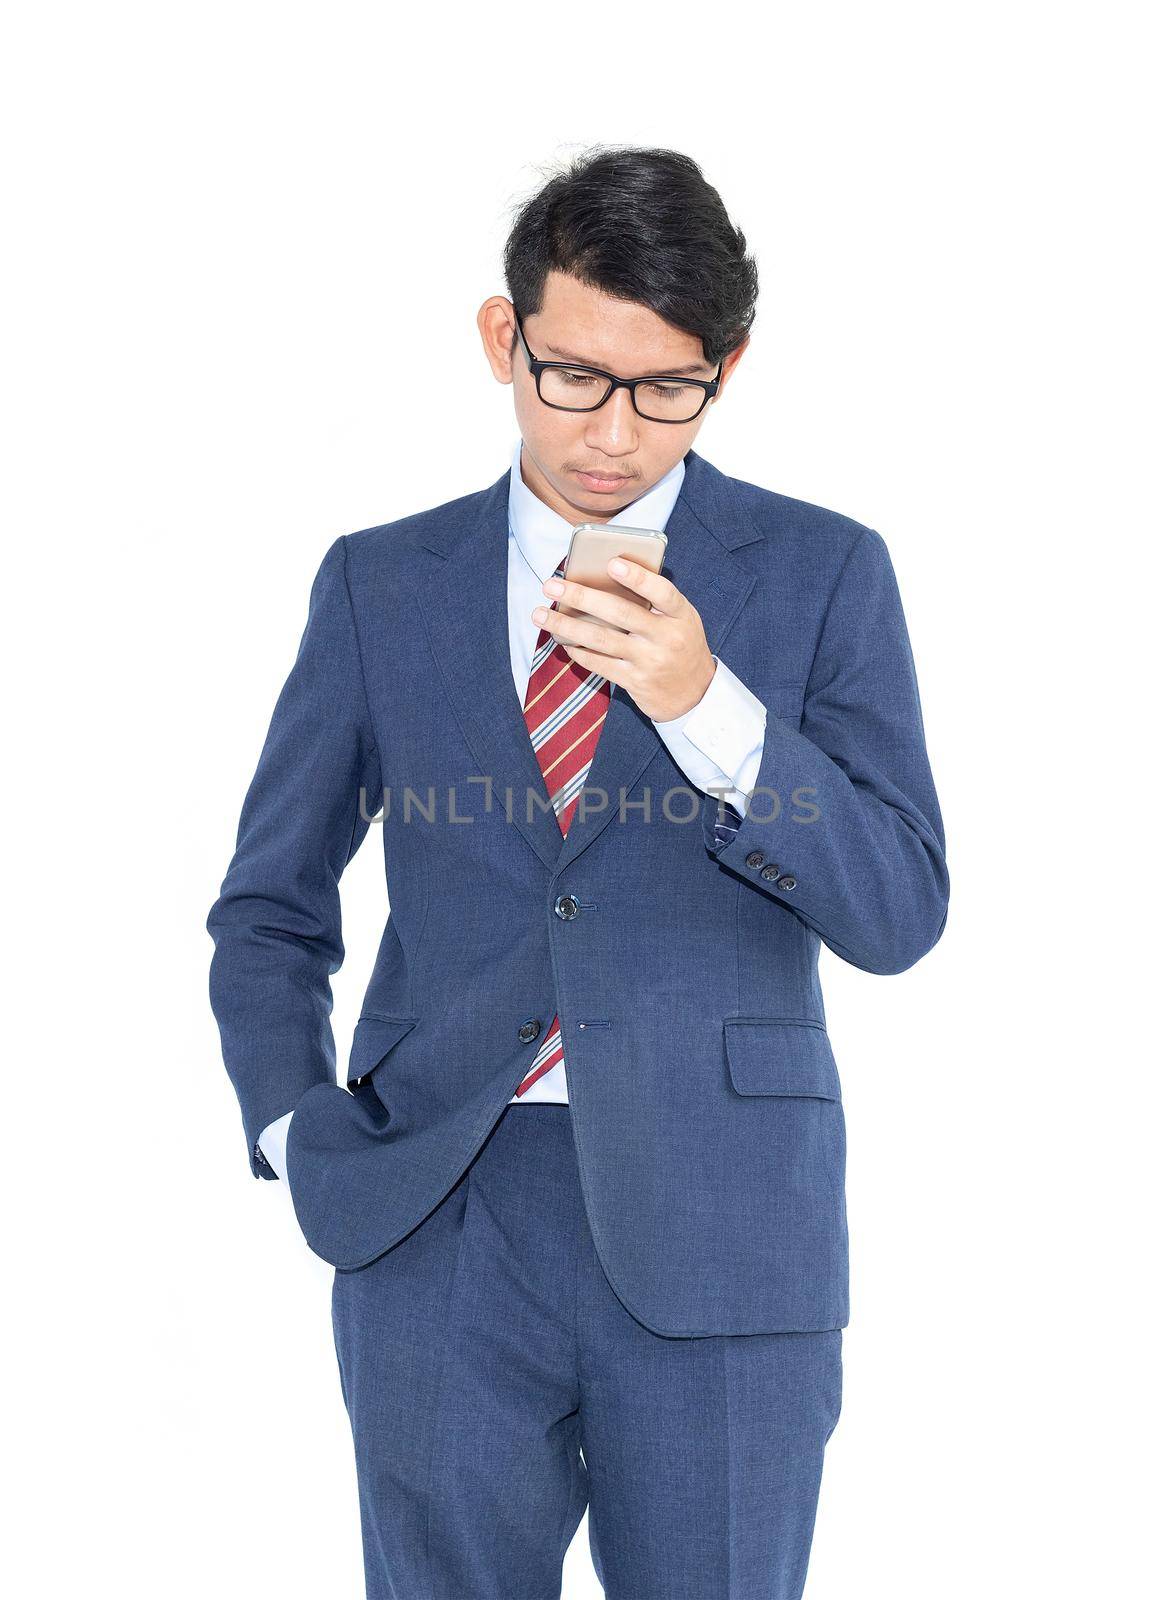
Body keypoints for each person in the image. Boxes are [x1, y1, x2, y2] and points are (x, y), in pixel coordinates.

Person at [207, 144, 948, 1600]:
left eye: (667, 387)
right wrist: (299, 1130)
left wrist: (709, 709)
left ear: (726, 368)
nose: (615, 432)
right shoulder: (382, 581)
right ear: (505, 337)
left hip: (728, 1223)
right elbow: (269, 905)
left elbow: (900, 909)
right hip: (442, 1211)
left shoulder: (824, 572)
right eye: (575, 376)